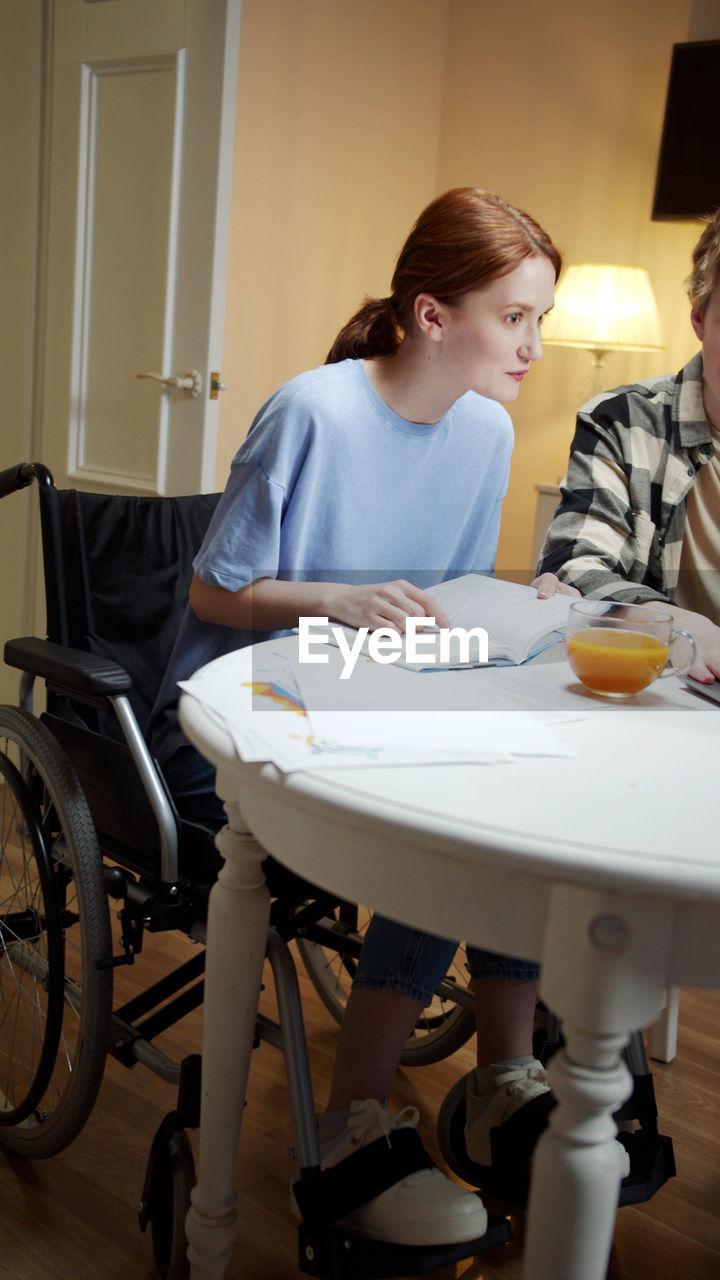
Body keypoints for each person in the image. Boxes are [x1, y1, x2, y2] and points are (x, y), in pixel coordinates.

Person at [148, 187, 573, 1247]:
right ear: (434, 315)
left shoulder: (486, 431)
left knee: (517, 801)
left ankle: (503, 1089)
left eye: (539, 320)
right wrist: (331, 596)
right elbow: (212, 596)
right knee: (443, 829)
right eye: (514, 317)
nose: (532, 345)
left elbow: (445, 601)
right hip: (240, 722)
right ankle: (347, 1128)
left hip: (372, 710)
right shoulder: (314, 409)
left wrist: (525, 611)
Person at [537, 206, 720, 682]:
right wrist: (678, 622)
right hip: (668, 687)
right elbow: (574, 566)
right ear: (699, 320)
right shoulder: (623, 420)